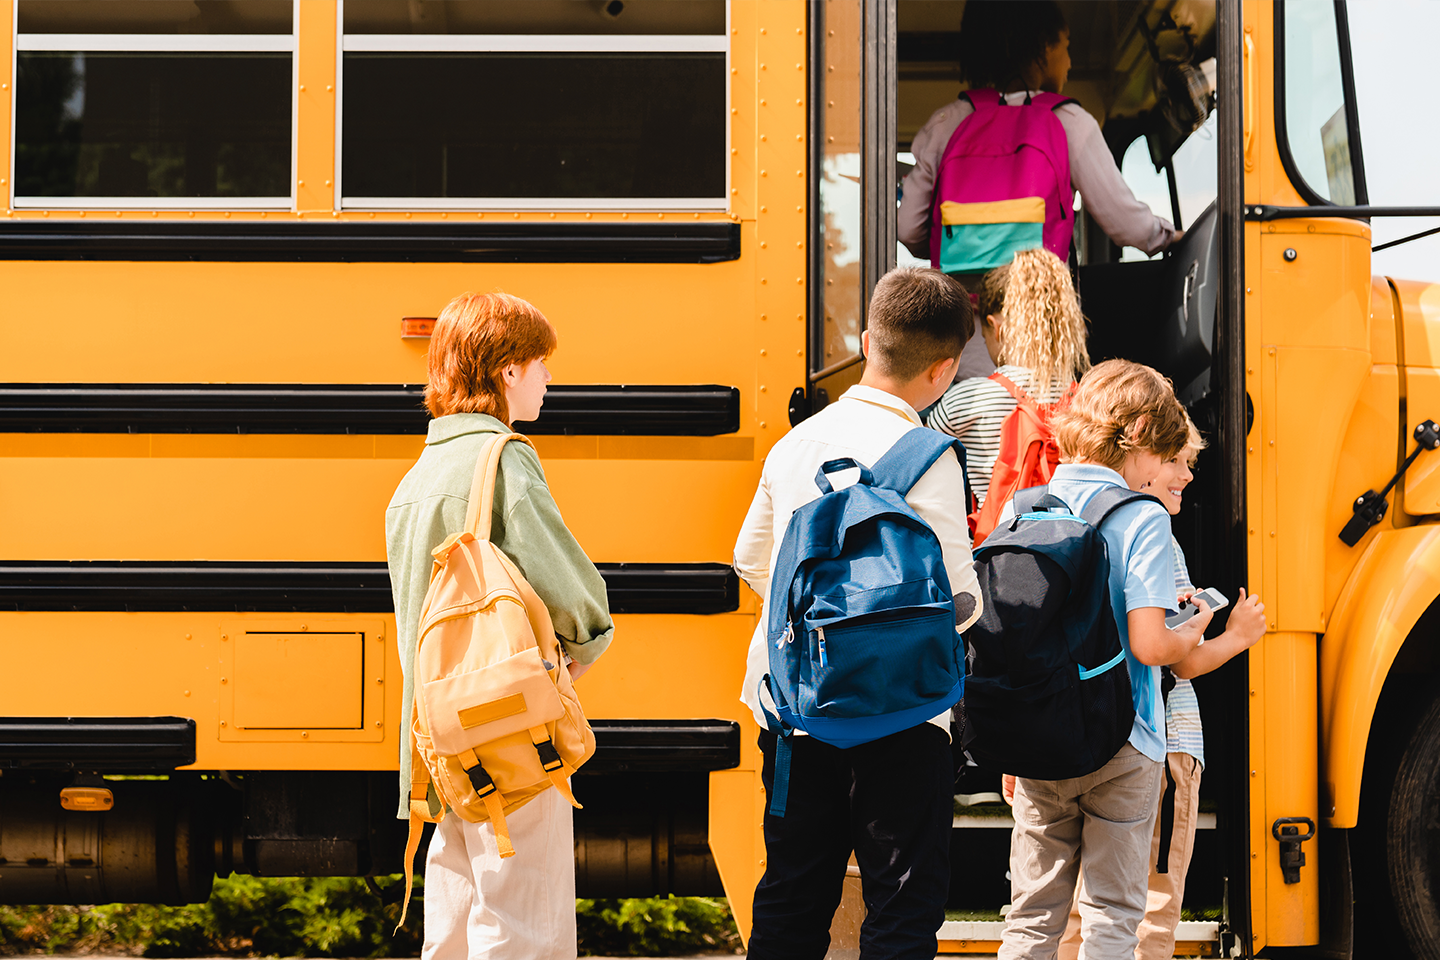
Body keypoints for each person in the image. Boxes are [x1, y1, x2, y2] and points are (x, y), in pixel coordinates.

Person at [734, 267, 986, 960]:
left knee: (793, 892)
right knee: (902, 902)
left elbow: (751, 561)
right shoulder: (930, 458)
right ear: (945, 369)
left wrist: (823, 632)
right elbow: (961, 601)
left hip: (796, 713)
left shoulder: (794, 446)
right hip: (905, 721)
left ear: (869, 340)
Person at [385, 291, 614, 960]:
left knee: (456, 923)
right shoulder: (504, 458)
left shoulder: (418, 477)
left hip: (441, 740)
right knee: (524, 923)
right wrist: (585, 648)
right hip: (510, 731)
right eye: (541, 364)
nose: (547, 379)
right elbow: (574, 592)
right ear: (508, 370)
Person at [995, 359, 1209, 960]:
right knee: (1113, 918)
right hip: (1124, 742)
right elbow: (1149, 645)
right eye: (1166, 453)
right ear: (1138, 435)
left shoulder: (1026, 506)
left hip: (1039, 742)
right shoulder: (1143, 519)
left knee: (1032, 918)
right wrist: (1191, 629)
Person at [1058, 425, 1267, 960]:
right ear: (1141, 460)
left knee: (1073, 908)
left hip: (1072, 735)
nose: (1187, 475)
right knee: (1146, 907)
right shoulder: (1153, 533)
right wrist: (1234, 635)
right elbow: (1180, 661)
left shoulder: (1063, 516)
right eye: (1175, 460)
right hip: (1163, 741)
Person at [898, 0, 1180, 379]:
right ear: (1043, 49)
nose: (1068, 59)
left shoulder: (946, 123)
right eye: (1065, 45)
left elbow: (909, 229)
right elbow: (1126, 225)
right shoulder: (1068, 122)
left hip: (962, 335)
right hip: (1039, 334)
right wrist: (1170, 238)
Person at [927, 247, 1089, 507]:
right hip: (1070, 544)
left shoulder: (964, 400)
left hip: (993, 545)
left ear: (997, 328)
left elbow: (922, 464)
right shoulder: (1091, 401)